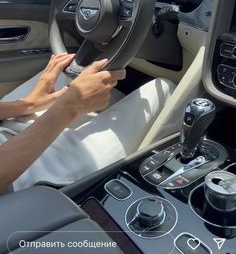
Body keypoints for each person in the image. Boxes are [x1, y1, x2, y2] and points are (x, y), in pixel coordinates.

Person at [0, 54, 175, 193]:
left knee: (73, 66)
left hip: (5, 126)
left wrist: (28, 104)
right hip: (18, 179)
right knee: (163, 88)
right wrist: (68, 107)